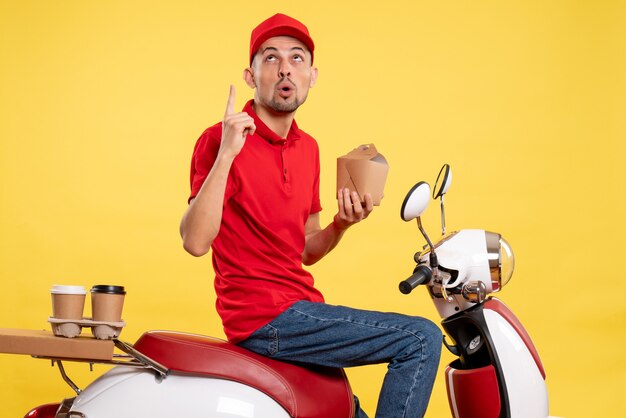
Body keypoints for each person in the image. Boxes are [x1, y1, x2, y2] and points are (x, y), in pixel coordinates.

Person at [179, 13, 442, 418]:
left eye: (297, 58)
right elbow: (195, 241)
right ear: (251, 76)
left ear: (312, 75)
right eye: (271, 58)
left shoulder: (310, 148)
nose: (285, 68)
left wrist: (342, 224)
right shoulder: (219, 139)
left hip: (302, 311)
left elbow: (305, 248)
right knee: (420, 338)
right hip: (263, 318)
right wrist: (228, 154)